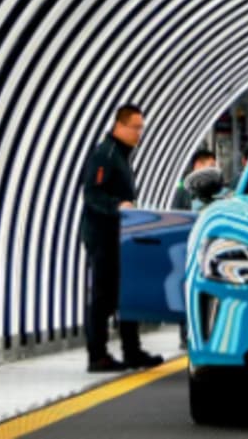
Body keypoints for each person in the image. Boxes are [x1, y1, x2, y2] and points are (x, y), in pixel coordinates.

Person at [80, 103, 164, 373]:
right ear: (119, 126)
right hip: (104, 235)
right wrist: (117, 206)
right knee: (103, 296)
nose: (140, 133)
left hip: (123, 236)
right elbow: (92, 194)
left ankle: (132, 350)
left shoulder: (123, 156)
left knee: (128, 292)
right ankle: (98, 355)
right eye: (136, 127)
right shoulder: (106, 154)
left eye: (142, 128)